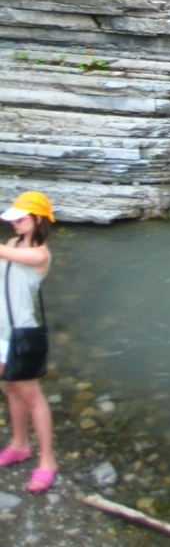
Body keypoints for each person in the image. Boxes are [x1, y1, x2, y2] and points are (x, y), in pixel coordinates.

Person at [0, 191, 57, 493]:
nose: (13, 224)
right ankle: (19, 443)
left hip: (23, 334)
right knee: (11, 387)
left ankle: (47, 461)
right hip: (1, 332)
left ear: (36, 220)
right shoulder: (11, 244)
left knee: (32, 396)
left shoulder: (40, 255)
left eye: (20, 219)